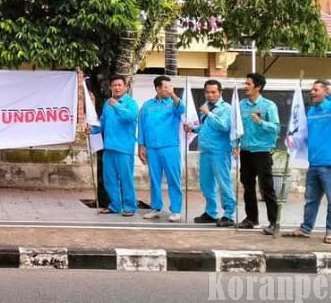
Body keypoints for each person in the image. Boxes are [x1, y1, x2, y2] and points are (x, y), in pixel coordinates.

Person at [285, 79, 331, 244]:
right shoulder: (312, 111)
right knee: (311, 199)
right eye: (312, 90)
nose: (312, 93)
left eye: (316, 90)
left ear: (325, 90)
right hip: (314, 162)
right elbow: (305, 134)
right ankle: (306, 228)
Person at [184, 79, 236, 227]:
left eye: (213, 92)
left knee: (224, 183)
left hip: (220, 151)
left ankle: (228, 214)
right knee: (206, 184)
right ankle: (211, 212)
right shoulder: (206, 106)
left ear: (220, 93)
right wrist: (193, 129)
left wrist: (209, 114)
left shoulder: (226, 108)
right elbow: (206, 127)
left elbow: (224, 126)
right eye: (207, 92)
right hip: (205, 150)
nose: (210, 95)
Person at [238, 72, 281, 234]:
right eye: (245, 83)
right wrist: (236, 144)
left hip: (262, 151)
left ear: (258, 87)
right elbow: (237, 128)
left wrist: (261, 122)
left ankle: (273, 222)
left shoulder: (269, 106)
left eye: (248, 84)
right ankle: (251, 218)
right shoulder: (241, 105)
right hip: (245, 150)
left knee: (267, 187)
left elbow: (276, 128)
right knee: (247, 186)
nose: (245, 87)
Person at [138, 75, 184, 222]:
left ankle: (176, 210)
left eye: (171, 87)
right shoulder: (147, 105)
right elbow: (142, 126)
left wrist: (173, 95)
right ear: (157, 89)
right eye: (166, 87)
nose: (169, 89)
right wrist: (141, 145)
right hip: (152, 147)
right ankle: (156, 207)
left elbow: (182, 108)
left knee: (173, 178)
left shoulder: (173, 103)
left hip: (170, 146)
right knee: (154, 178)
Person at [91, 75, 139, 216]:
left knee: (126, 179)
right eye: (114, 85)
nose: (117, 88)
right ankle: (115, 205)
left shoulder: (131, 103)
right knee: (109, 179)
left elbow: (130, 117)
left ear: (125, 87)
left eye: (119, 85)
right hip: (109, 147)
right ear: (111, 88)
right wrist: (92, 129)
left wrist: (117, 106)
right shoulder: (107, 104)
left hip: (124, 148)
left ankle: (130, 207)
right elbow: (102, 124)